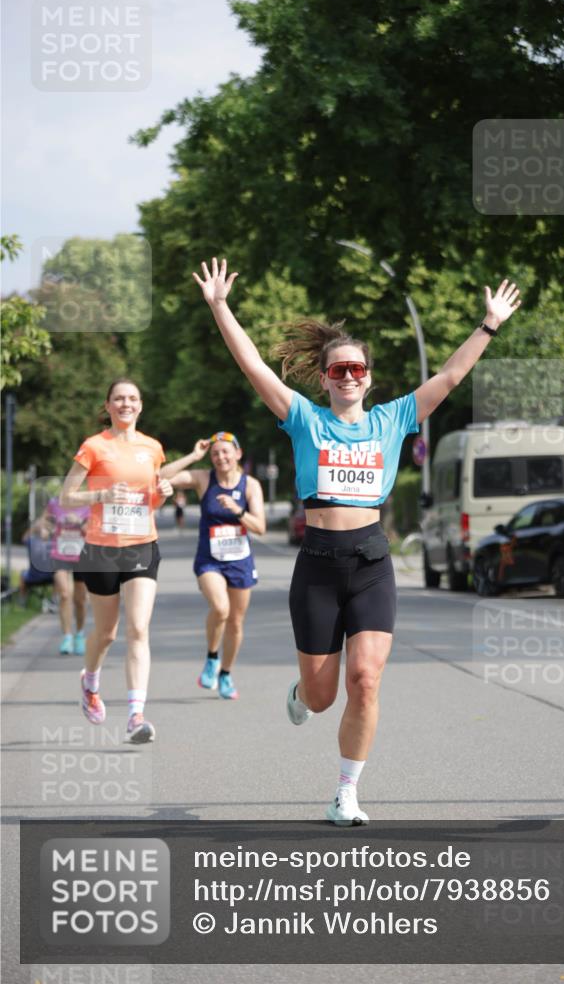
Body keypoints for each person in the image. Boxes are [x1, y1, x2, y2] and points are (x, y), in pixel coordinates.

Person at [193, 256, 521, 826]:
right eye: (338, 370)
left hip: (371, 560)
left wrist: (488, 324)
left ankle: (346, 791)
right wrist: (221, 306)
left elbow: (449, 378)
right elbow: (253, 367)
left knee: (364, 680)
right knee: (321, 698)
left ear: (369, 376)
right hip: (318, 565)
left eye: (357, 369)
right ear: (324, 378)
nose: (348, 377)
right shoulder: (303, 418)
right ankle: (301, 695)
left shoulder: (394, 419)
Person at [60, 379, 173, 744]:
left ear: (140, 406)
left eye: (133, 398)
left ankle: (135, 715)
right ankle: (90, 681)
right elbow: (67, 497)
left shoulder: (153, 448)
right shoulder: (94, 446)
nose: (126, 404)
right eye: (119, 398)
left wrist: (162, 493)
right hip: (101, 548)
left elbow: (149, 502)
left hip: (142, 545)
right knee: (106, 633)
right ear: (108, 405)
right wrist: (104, 493)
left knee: (138, 629)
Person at [161, 433, 266, 699]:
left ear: (238, 454)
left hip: (240, 561)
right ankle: (211, 657)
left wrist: (238, 511)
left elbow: (261, 527)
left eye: (226, 452)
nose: (220, 457)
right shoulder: (203, 478)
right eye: (215, 453)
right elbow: (160, 476)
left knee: (236, 622)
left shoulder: (250, 485)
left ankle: (226, 674)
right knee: (220, 608)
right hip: (209, 560)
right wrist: (194, 456)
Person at [43, 496, 89, 655]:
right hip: (59, 554)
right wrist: (46, 529)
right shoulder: (54, 503)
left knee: (80, 600)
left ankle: (80, 635)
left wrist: (79, 522)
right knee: (64, 594)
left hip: (82, 557)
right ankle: (67, 637)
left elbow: (93, 531)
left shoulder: (88, 503)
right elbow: (45, 523)